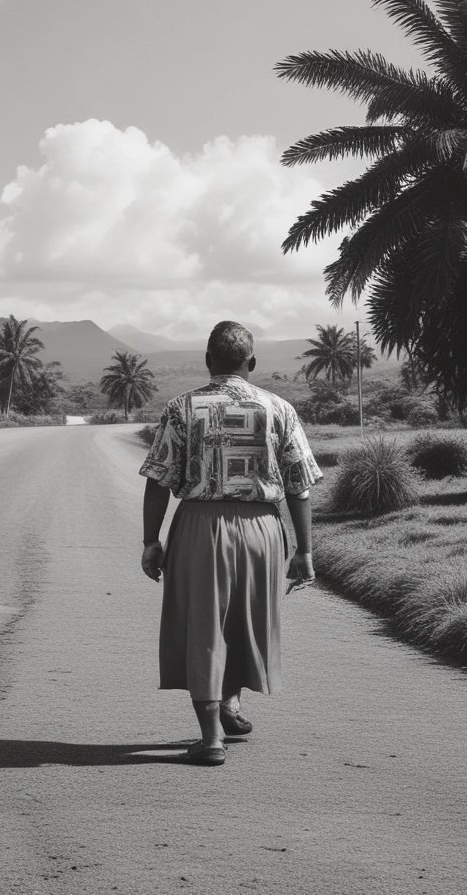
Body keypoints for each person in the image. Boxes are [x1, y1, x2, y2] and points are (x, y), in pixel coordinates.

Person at [138, 320, 322, 766]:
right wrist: (304, 551)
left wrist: (151, 541)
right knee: (245, 619)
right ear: (251, 363)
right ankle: (229, 707)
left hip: (200, 527)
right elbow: (299, 488)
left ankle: (212, 735)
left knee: (203, 624)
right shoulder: (278, 408)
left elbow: (159, 481)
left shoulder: (182, 407)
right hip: (262, 529)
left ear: (208, 361)